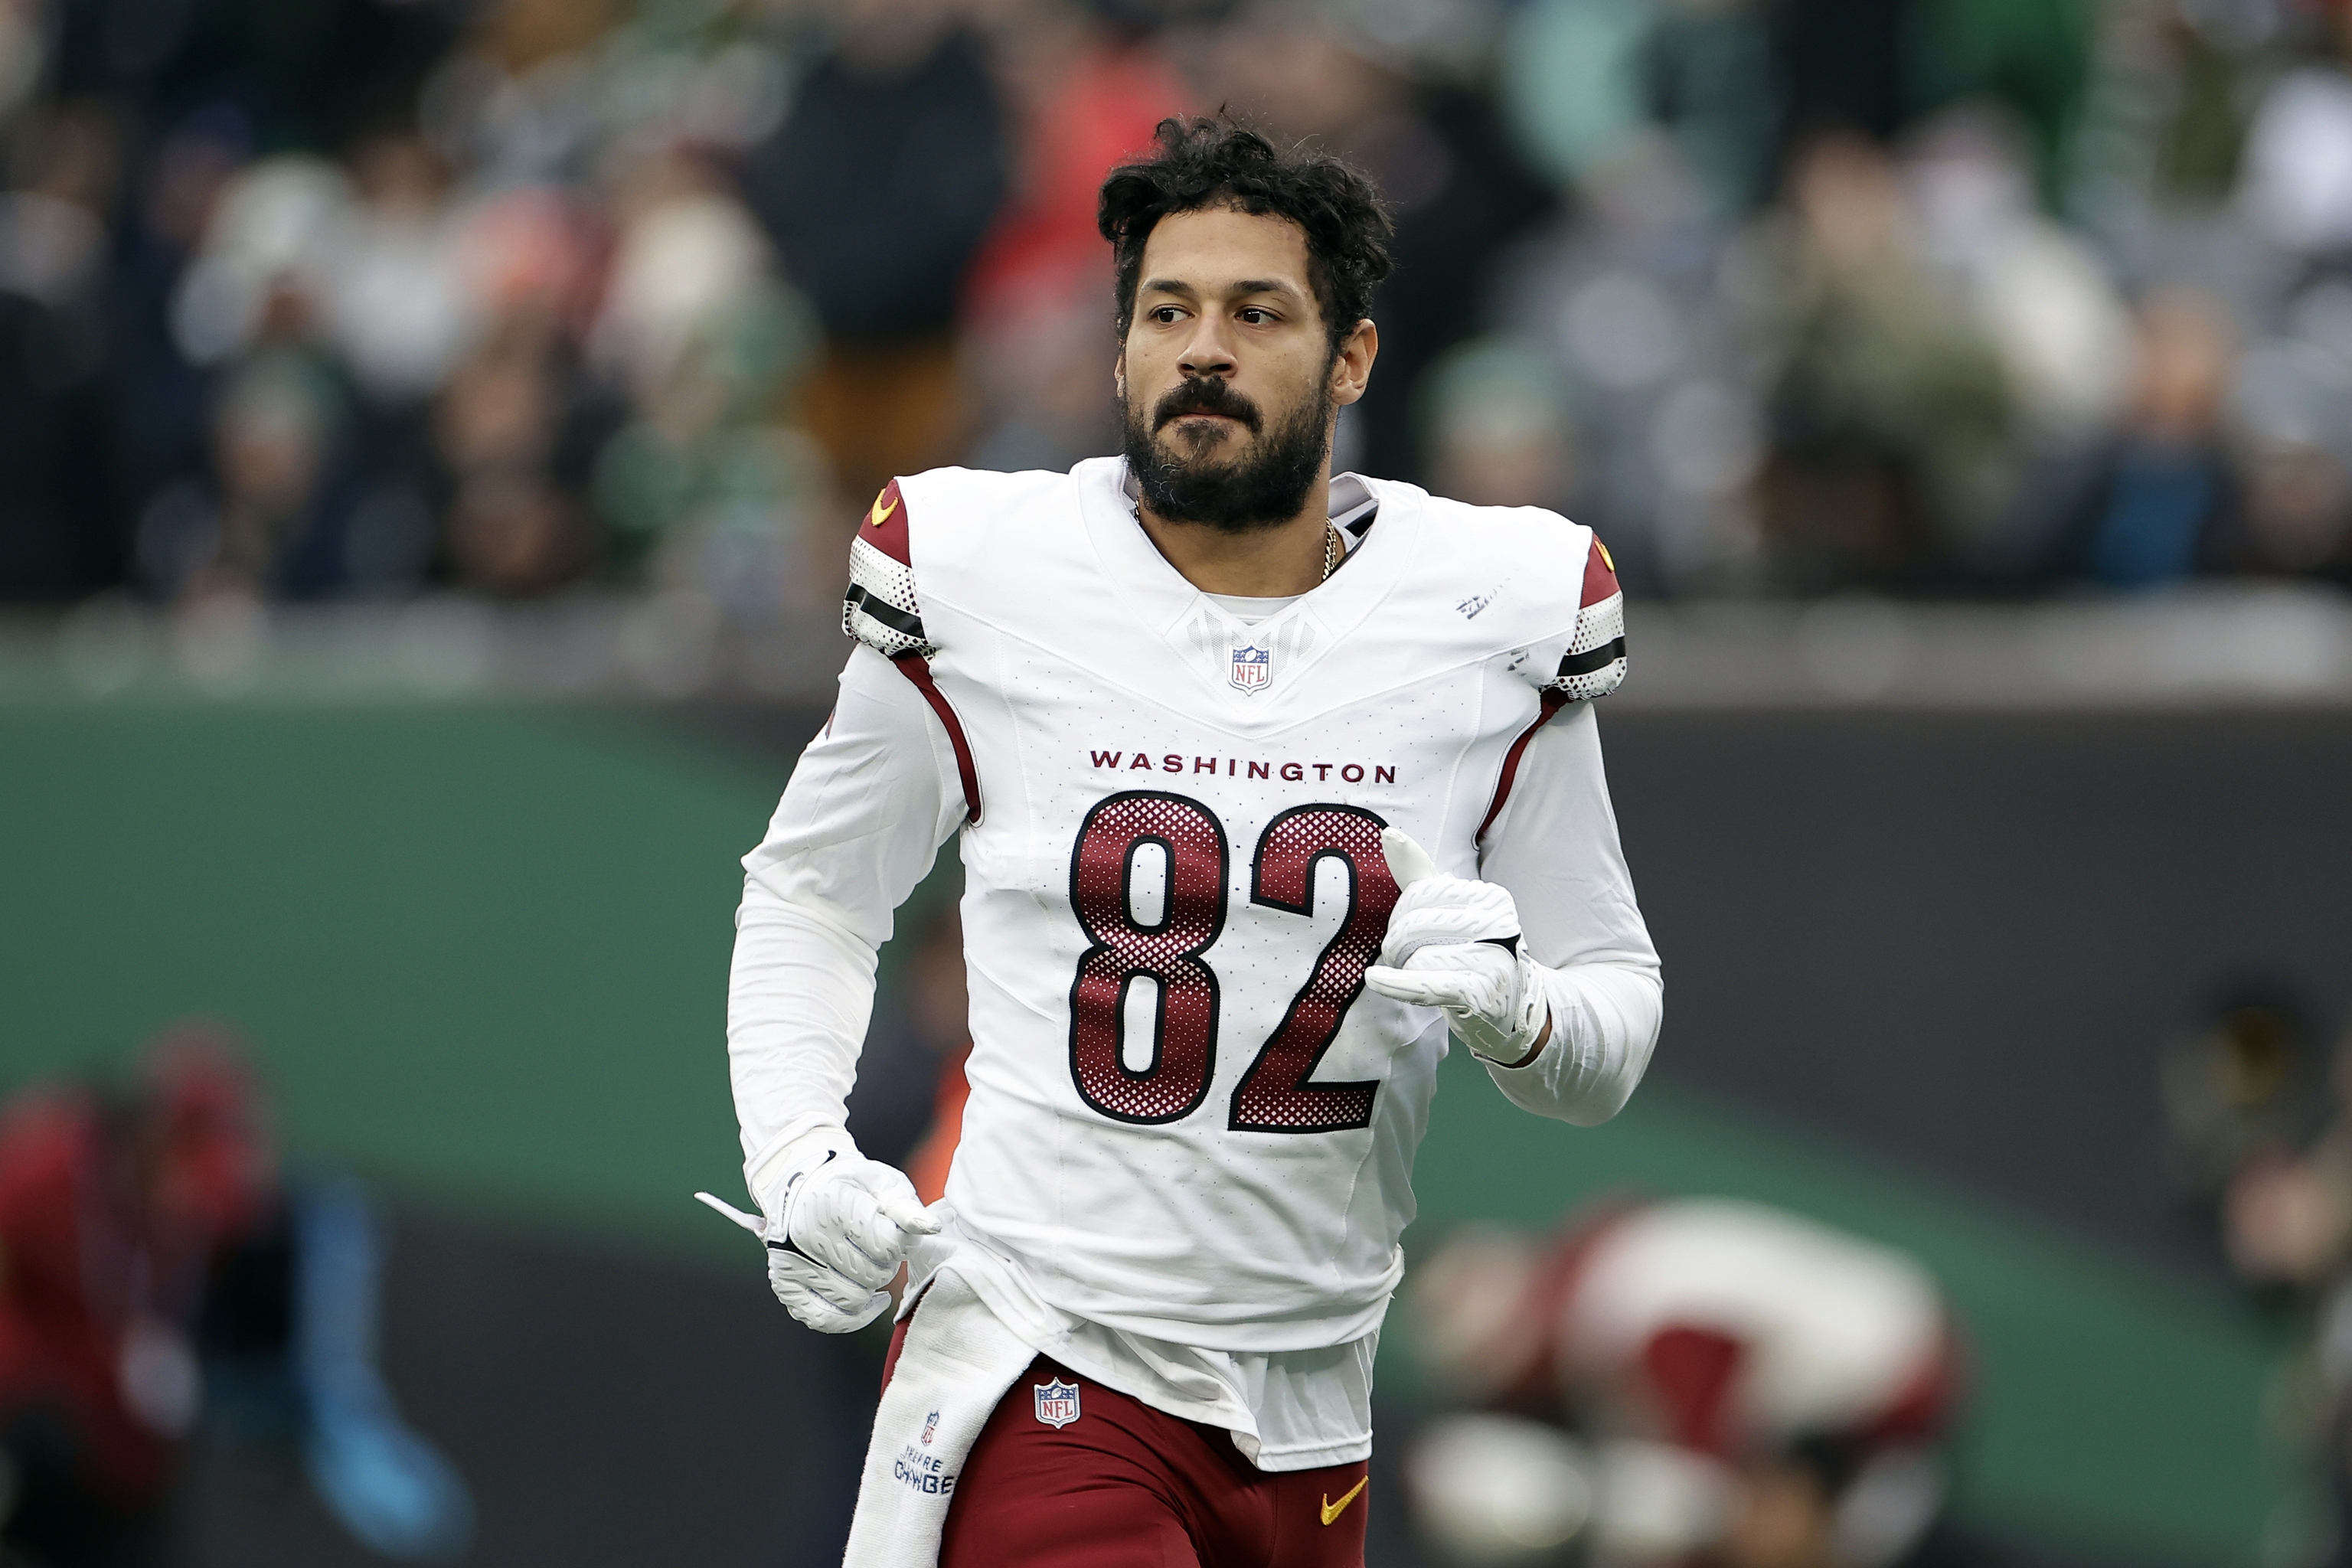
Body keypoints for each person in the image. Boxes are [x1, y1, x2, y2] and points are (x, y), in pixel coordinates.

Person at [723, 116, 1662, 1568]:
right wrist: (798, 1159)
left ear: (1351, 358)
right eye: (1168, 311)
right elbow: (814, 893)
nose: (1203, 348)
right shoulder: (989, 577)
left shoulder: (1491, 615)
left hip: (1315, 1403)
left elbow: (1611, 1010)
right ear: (1118, 348)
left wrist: (1517, 1015)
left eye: (1256, 312)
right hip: (1050, 1355)